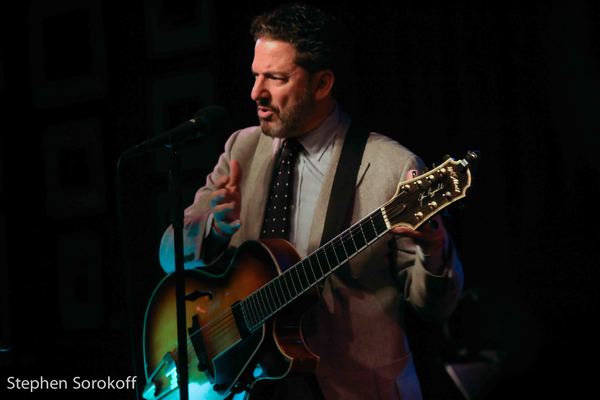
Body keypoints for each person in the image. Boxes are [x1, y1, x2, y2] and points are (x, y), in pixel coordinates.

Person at [159, 3, 463, 399]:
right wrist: (212, 230)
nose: (256, 93)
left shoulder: (392, 166)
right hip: (245, 385)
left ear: (322, 84)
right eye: (255, 76)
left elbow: (434, 307)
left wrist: (435, 249)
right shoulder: (241, 148)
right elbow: (169, 256)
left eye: (276, 78)